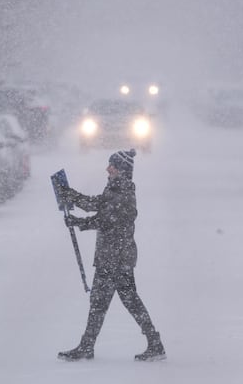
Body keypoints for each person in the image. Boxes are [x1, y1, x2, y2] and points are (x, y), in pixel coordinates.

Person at [57, 148, 165, 362]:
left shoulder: (122, 191)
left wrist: (79, 222)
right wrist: (71, 195)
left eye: (112, 166)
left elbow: (105, 220)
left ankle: (89, 346)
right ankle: (153, 342)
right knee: (117, 301)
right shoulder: (115, 188)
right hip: (114, 257)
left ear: (122, 170)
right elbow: (96, 204)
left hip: (115, 258)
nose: (108, 169)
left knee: (105, 302)